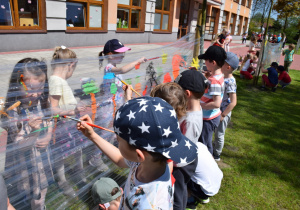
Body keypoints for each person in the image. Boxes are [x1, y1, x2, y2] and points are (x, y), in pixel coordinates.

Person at [77, 97, 197, 209]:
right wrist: (92, 135)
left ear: (139, 155)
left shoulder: (149, 204)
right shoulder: (152, 162)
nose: (116, 140)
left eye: (118, 140)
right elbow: (120, 158)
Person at [2, 58, 53, 209]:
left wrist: (49, 134)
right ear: (16, 85)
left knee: (40, 194)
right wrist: (34, 132)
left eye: (40, 89)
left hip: (42, 161)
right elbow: (19, 146)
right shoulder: (12, 112)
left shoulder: (42, 102)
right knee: (28, 192)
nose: (35, 94)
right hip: (25, 166)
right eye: (30, 89)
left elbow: (50, 119)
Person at [49, 46, 86, 198]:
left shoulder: (59, 80)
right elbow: (52, 109)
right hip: (63, 127)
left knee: (78, 148)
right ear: (70, 65)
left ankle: (79, 171)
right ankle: (62, 180)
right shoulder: (56, 81)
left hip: (70, 124)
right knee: (61, 156)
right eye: (73, 69)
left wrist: (76, 106)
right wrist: (73, 111)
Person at [198, 46, 226, 155]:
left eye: (206, 60)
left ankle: (207, 161)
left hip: (208, 118)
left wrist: (199, 105)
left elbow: (216, 103)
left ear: (212, 62)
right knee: (205, 140)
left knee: (204, 143)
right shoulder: (217, 76)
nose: (204, 62)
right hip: (212, 116)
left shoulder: (214, 81)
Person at [213, 52, 239, 161]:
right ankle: (212, 148)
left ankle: (216, 155)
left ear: (228, 67)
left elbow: (233, 102)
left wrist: (223, 115)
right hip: (216, 110)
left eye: (221, 62)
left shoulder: (230, 82)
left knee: (219, 134)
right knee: (213, 131)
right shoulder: (222, 77)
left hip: (223, 112)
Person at [186, 142, 223, 207]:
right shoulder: (200, 144)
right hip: (216, 184)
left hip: (204, 188)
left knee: (179, 173)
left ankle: (190, 202)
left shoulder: (186, 152)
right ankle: (203, 197)